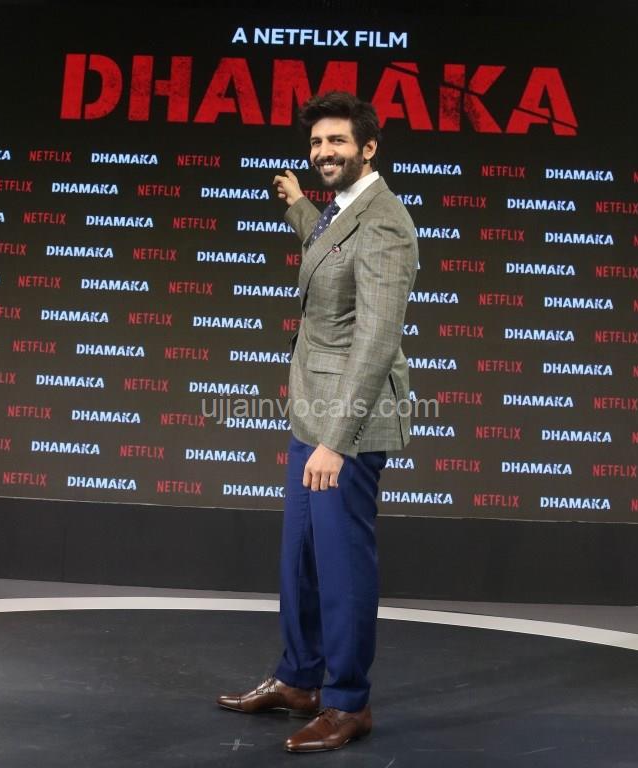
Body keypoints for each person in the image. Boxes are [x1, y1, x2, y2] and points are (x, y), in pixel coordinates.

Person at [217, 91, 418, 753]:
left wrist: (337, 439)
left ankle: (348, 702)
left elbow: (376, 340)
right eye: (316, 143)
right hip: (311, 413)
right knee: (299, 560)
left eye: (338, 141)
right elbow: (329, 250)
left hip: (345, 426)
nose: (324, 152)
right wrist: (298, 204)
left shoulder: (386, 223)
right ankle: (299, 679)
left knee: (340, 567)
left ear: (369, 148)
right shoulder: (341, 211)